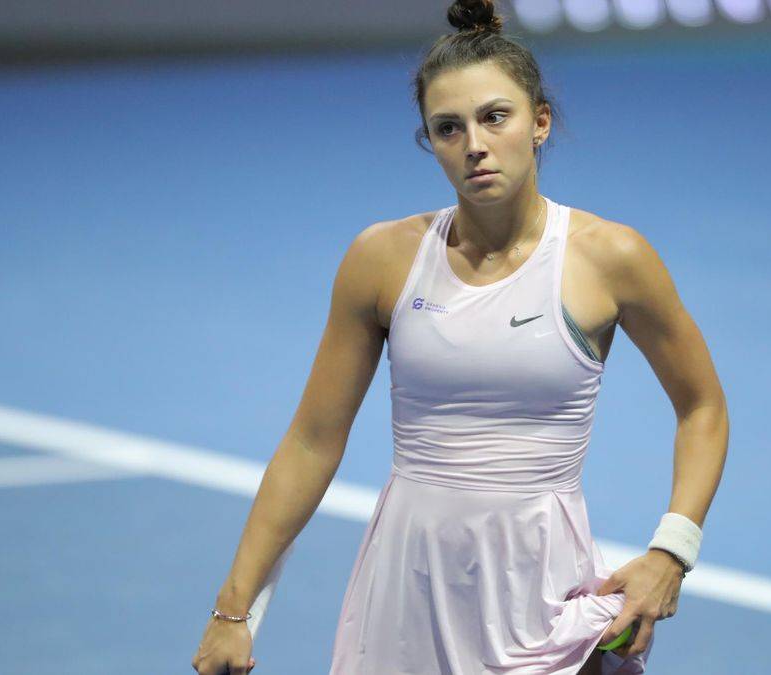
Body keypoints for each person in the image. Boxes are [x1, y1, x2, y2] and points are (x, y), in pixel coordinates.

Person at [191, 1, 729, 673]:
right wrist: (233, 609)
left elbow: (702, 407)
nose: (474, 143)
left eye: (494, 117)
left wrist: (672, 551)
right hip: (405, 591)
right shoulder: (381, 258)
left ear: (539, 122)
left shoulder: (611, 257)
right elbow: (311, 441)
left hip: (541, 598)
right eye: (448, 127)